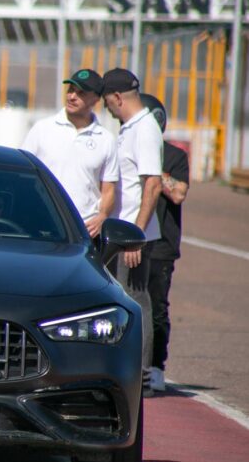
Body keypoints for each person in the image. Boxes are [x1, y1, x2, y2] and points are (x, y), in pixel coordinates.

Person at [102, 68, 163, 394]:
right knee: (124, 301)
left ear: (116, 97)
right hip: (124, 232)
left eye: (107, 102)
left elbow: (152, 183)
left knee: (137, 303)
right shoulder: (130, 129)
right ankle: (128, 373)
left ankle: (142, 380)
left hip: (133, 236)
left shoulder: (145, 129)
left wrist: (136, 235)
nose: (107, 109)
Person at [21, 68, 119, 238]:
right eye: (71, 90)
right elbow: (24, 174)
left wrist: (102, 216)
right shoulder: (42, 129)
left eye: (80, 93)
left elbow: (109, 190)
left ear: (96, 99)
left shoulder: (106, 139)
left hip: (84, 230)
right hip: (42, 223)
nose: (72, 96)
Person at [142, 95, 188, 393]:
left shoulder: (174, 157)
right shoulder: (125, 149)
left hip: (161, 245)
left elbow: (178, 193)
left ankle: (157, 365)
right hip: (130, 239)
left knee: (157, 307)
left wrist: (151, 167)